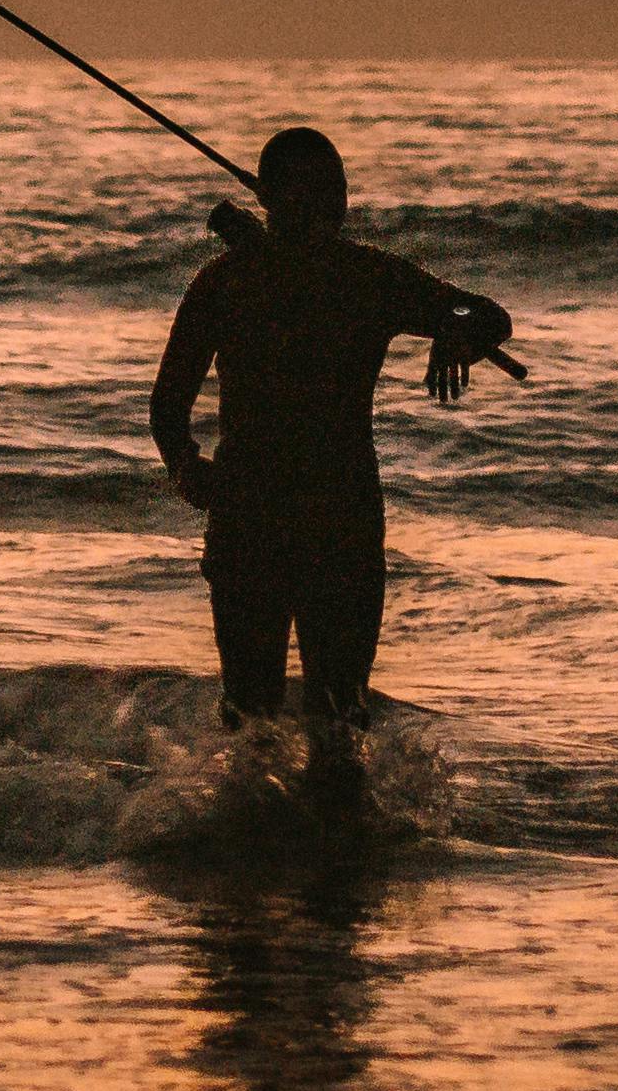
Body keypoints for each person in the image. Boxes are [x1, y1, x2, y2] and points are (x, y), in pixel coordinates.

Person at [151, 126, 511, 784]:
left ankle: (313, 856)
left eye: (338, 189)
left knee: (337, 720)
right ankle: (278, 859)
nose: (334, 204)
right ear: (270, 198)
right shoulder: (240, 281)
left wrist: (455, 331)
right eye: (317, 190)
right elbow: (167, 404)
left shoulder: (361, 276)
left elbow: (489, 315)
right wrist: (184, 465)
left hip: (332, 520)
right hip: (257, 517)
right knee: (253, 712)